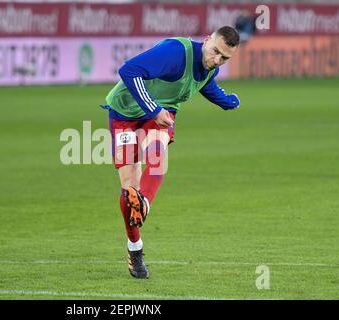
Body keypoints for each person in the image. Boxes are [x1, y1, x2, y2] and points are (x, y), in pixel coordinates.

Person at [102, 26, 241, 279]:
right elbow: (128, 70)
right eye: (215, 52)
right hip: (124, 113)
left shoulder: (210, 68)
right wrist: (153, 108)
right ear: (207, 40)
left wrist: (228, 101)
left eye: (224, 58)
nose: (216, 60)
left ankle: (144, 202)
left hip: (161, 115)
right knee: (128, 190)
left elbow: (206, 85)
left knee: (155, 157)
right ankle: (135, 248)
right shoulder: (176, 52)